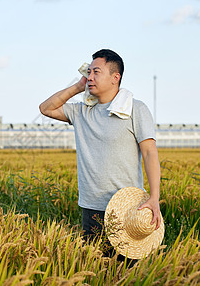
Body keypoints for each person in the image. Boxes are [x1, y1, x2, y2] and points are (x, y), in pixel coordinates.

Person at [39, 49, 161, 250]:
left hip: (127, 208)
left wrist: (154, 198)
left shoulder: (135, 109)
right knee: (96, 269)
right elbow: (46, 108)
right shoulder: (82, 111)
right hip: (91, 206)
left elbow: (149, 153)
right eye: (89, 72)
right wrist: (78, 86)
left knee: (126, 270)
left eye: (96, 72)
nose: (90, 77)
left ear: (115, 78)